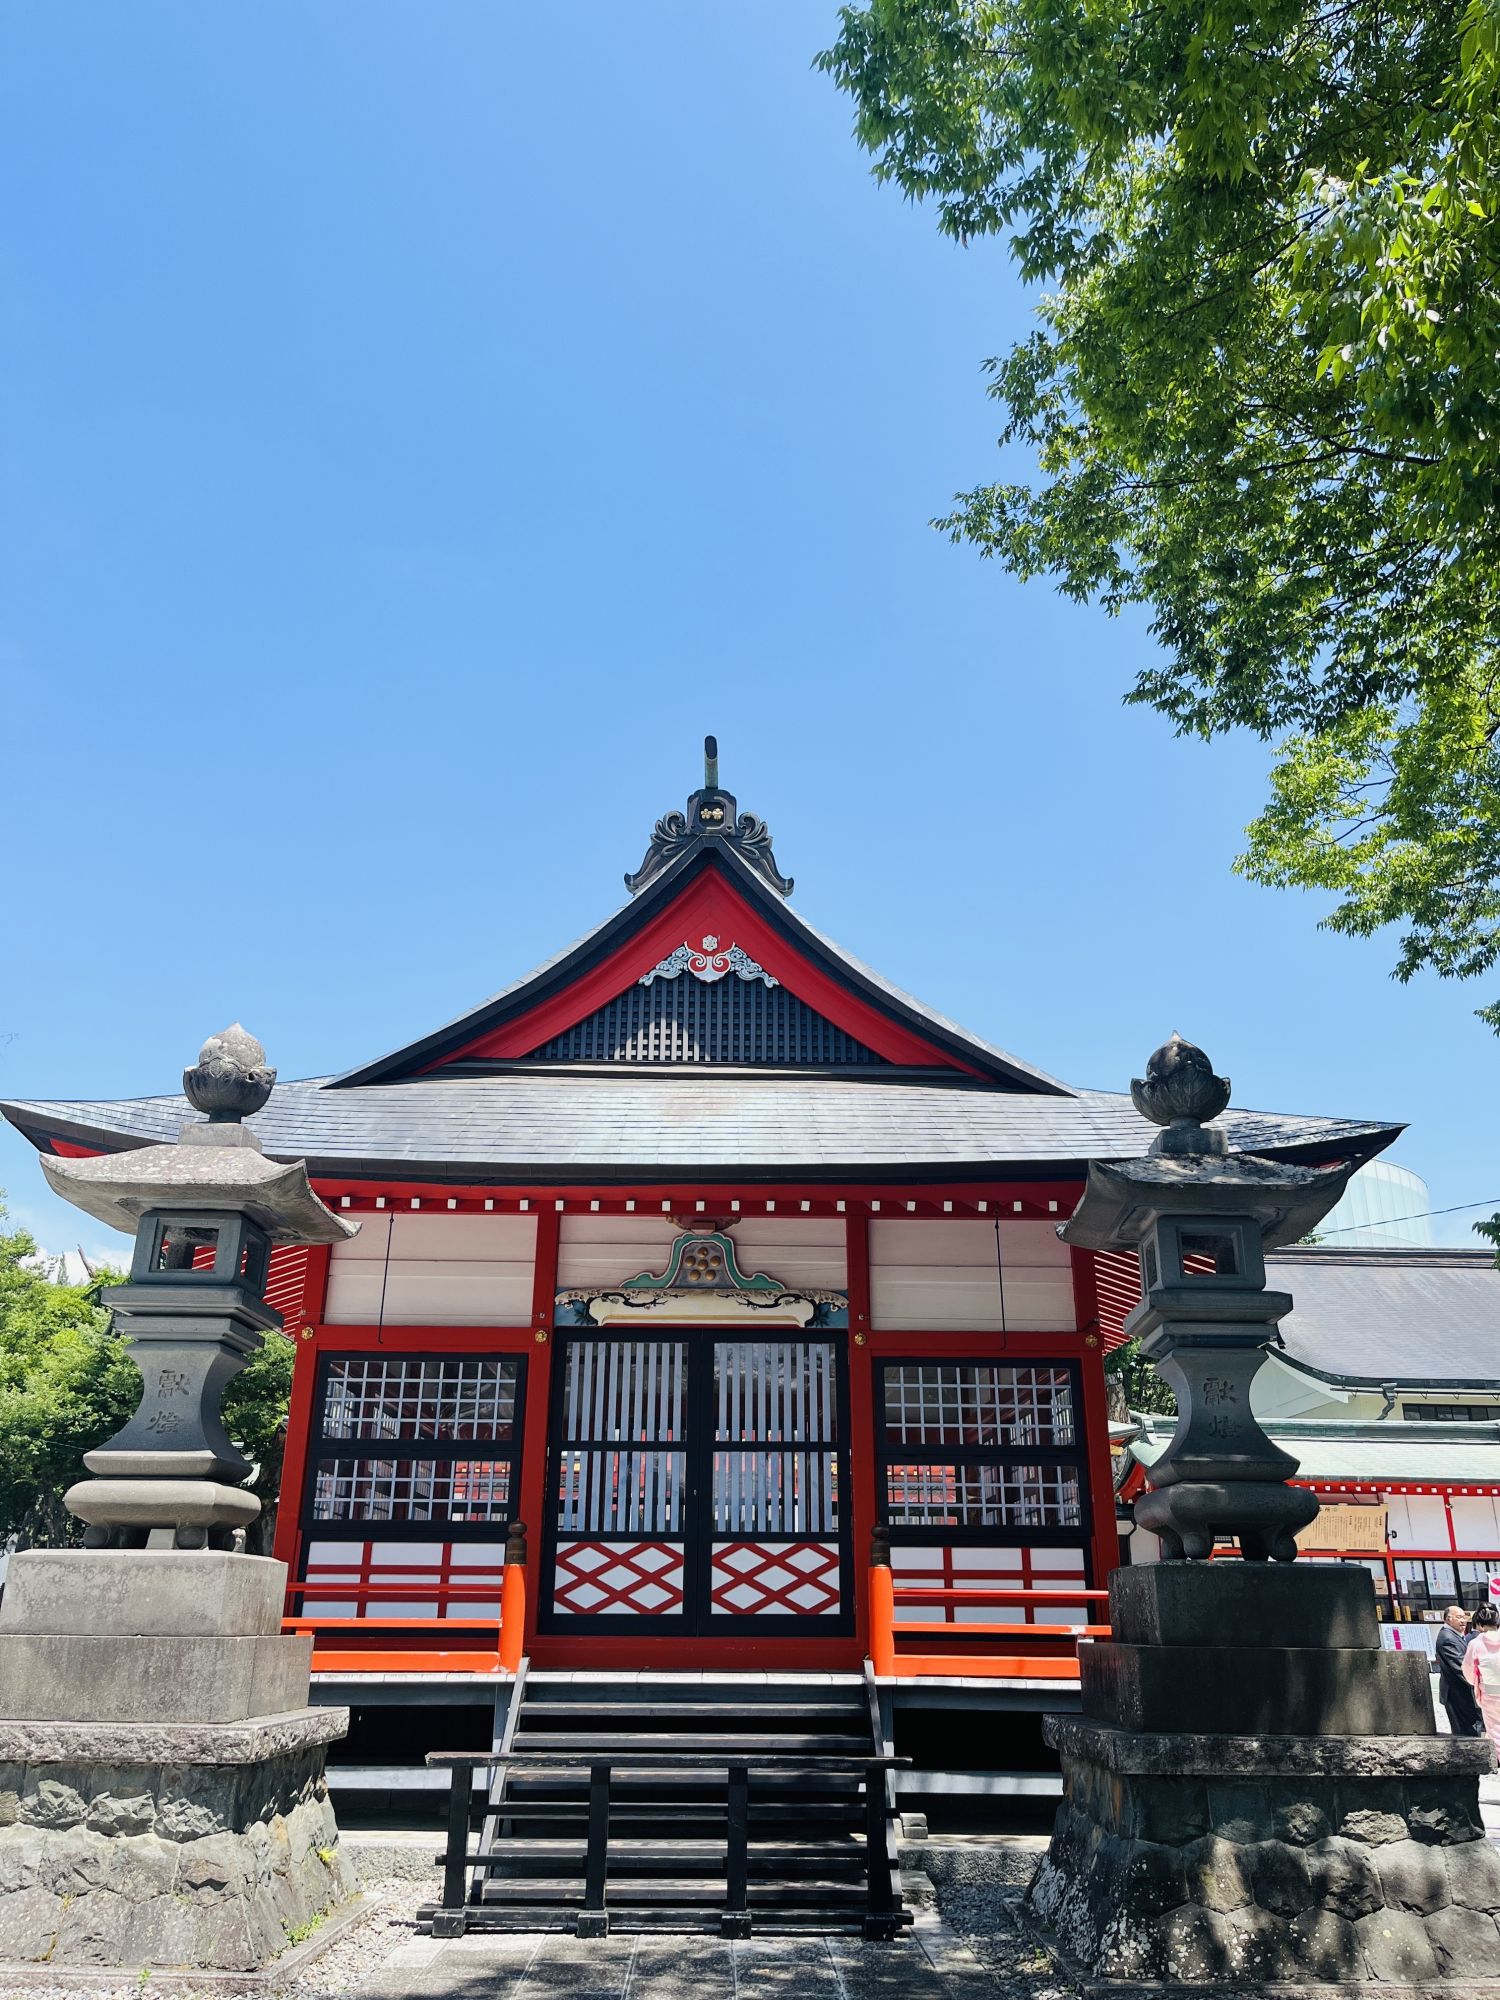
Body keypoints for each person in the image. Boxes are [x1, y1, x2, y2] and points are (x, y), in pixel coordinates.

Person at [1435, 1603, 1484, 1736]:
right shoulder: (1447, 1638)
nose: (1463, 1621)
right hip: (1457, 1694)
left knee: (1470, 1731)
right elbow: (1460, 1667)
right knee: (1465, 1734)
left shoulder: (1455, 1635)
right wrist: (1481, 1684)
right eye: (1458, 1617)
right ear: (1448, 1619)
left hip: (1462, 1693)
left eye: (1464, 1617)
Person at [1461, 1602, 1500, 1750]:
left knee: (1496, 1730)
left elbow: (1468, 1670)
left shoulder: (1475, 1644)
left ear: (1479, 1623)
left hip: (1490, 1692)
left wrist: (1476, 1681)